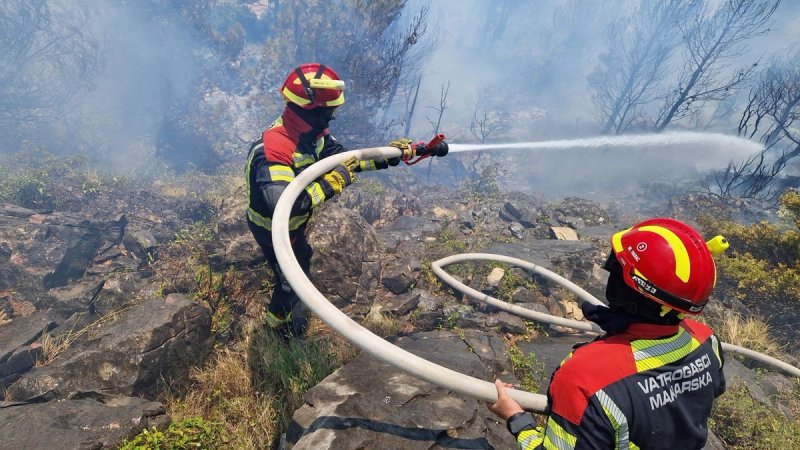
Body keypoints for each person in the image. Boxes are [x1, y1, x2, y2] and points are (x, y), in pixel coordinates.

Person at [489, 218, 727, 449]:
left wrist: (516, 418)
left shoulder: (584, 379)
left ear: (625, 287)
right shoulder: (707, 341)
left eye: (615, 267)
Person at [245, 63, 409, 337]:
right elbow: (284, 205)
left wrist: (391, 154)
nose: (334, 115)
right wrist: (331, 183)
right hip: (271, 229)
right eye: (330, 109)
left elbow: (346, 160)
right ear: (313, 109)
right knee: (289, 280)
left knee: (302, 261)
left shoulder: (311, 133)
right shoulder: (274, 149)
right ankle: (278, 332)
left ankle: (289, 312)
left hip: (294, 227)